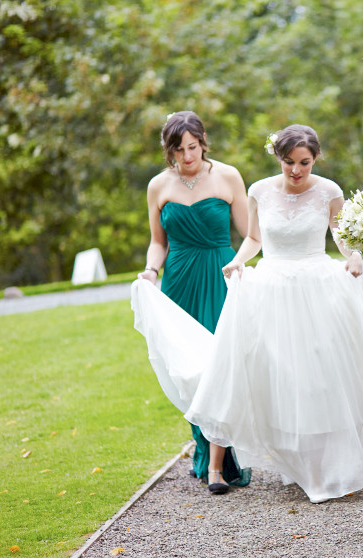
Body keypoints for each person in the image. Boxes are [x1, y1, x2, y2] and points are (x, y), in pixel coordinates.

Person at [135, 124, 363, 504]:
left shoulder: (329, 191)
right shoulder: (259, 190)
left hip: (317, 285)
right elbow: (255, 238)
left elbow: (340, 234)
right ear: (278, 158)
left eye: (304, 163)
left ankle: (329, 463)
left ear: (315, 159)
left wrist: (356, 255)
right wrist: (238, 262)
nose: (296, 170)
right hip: (274, 287)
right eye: (289, 162)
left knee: (321, 373)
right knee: (282, 376)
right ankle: (295, 459)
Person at [135, 110, 252, 495]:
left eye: (192, 147)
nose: (187, 157)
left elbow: (250, 233)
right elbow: (158, 241)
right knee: (189, 369)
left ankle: (218, 462)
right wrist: (152, 271)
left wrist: (240, 264)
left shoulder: (228, 176)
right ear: (168, 151)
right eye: (178, 150)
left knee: (219, 366)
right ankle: (205, 452)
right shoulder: (158, 186)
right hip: (179, 281)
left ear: (203, 141)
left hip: (219, 276)